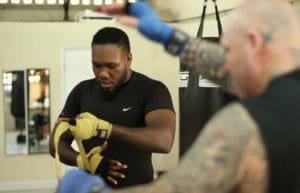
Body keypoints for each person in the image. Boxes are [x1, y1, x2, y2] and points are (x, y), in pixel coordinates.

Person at [56, 0, 300, 193]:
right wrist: (169, 36)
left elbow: (178, 188)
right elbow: (228, 69)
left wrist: (91, 190)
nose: (224, 64)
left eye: (227, 50)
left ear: (255, 43)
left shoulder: (244, 127)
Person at [49, 27, 176, 188]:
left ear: (128, 59)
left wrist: (104, 129)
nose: (102, 73)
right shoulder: (82, 92)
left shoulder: (151, 90)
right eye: (97, 65)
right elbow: (56, 142)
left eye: (111, 66)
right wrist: (83, 161)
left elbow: (164, 140)